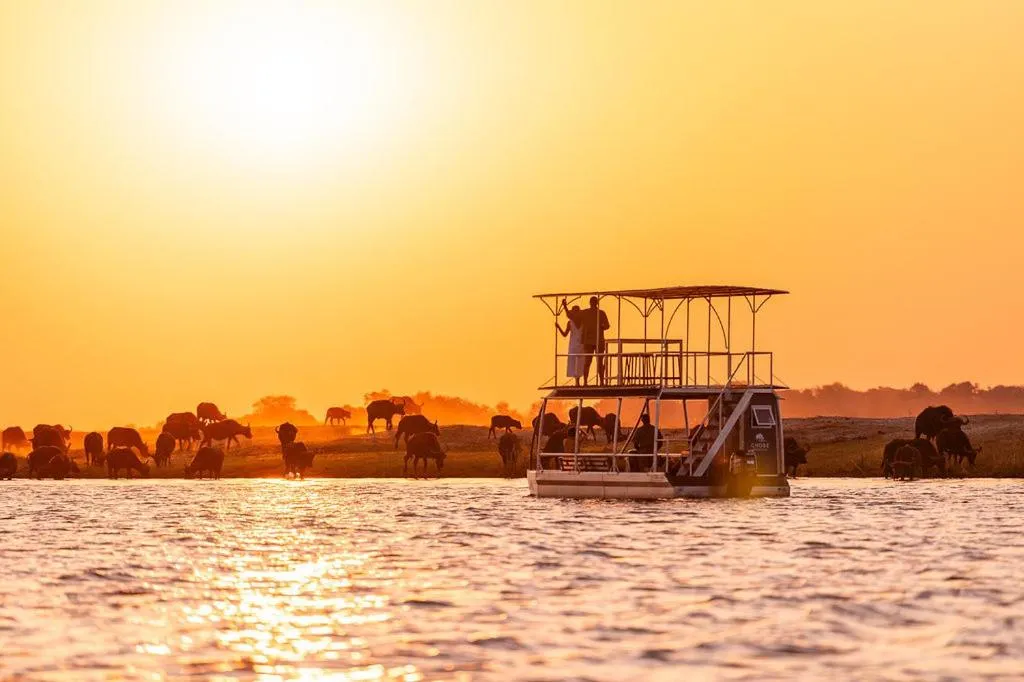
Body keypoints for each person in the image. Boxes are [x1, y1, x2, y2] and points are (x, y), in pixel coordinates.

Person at [565, 296, 610, 386]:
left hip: (589, 341)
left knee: (587, 362)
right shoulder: (601, 313)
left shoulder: (585, 313)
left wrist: (565, 306)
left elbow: (571, 316)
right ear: (597, 303)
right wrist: (601, 327)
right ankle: (601, 382)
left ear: (590, 303)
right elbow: (607, 326)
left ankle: (586, 382)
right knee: (599, 362)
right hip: (597, 341)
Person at [556, 304, 585, 385]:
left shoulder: (570, 323)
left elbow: (564, 334)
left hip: (573, 345)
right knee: (580, 363)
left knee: (574, 362)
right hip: (581, 344)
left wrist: (558, 327)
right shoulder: (583, 322)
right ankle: (578, 381)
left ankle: (577, 382)